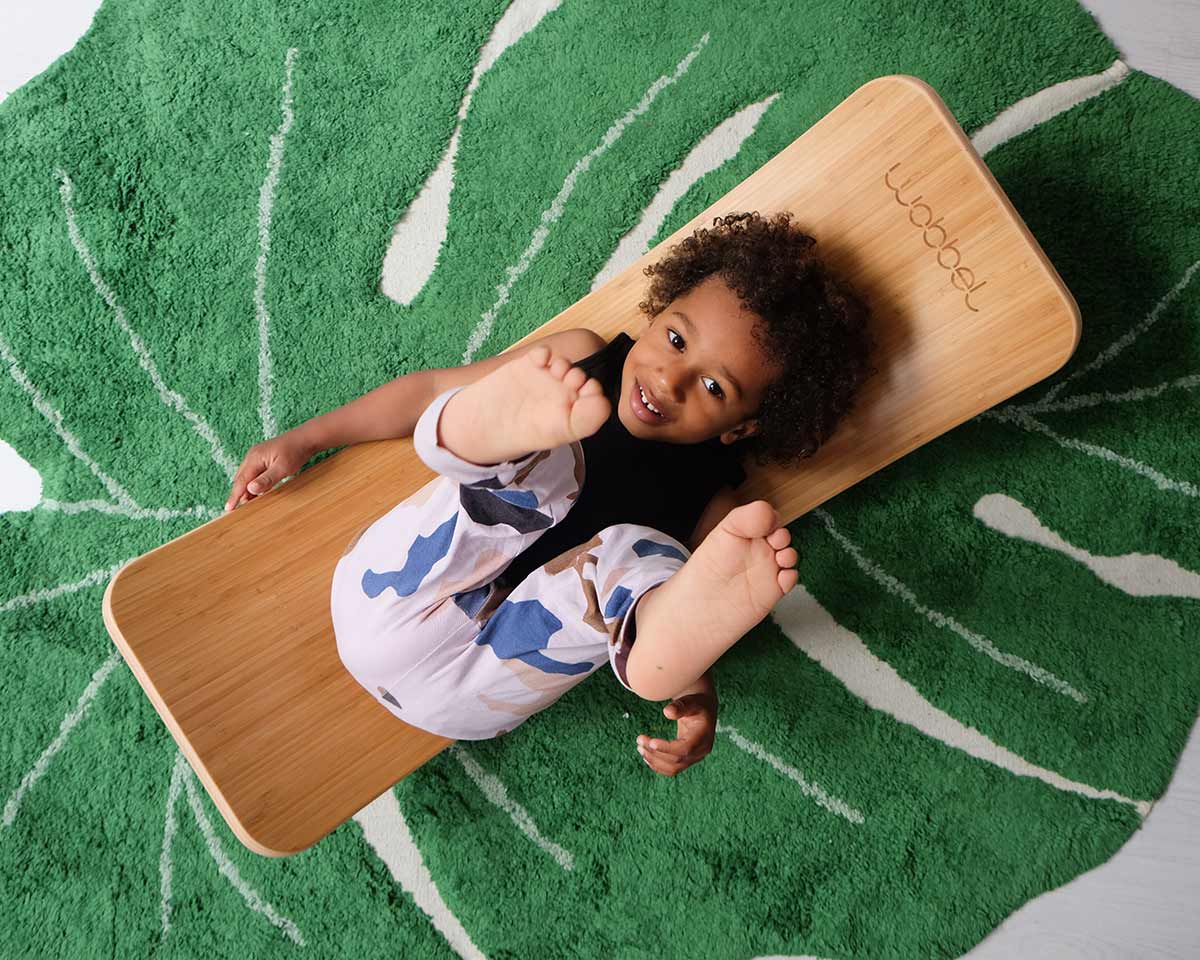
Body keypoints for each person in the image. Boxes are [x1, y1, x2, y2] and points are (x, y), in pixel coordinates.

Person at [224, 211, 878, 776]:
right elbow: (427, 390)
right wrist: (310, 438)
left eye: (714, 388)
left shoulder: (718, 511)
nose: (670, 379)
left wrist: (696, 698)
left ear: (742, 426)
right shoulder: (576, 364)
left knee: (638, 565)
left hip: (483, 686)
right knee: (547, 469)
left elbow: (676, 610)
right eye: (676, 340)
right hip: (390, 597)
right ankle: (475, 437)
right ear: (658, 311)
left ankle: (649, 667)